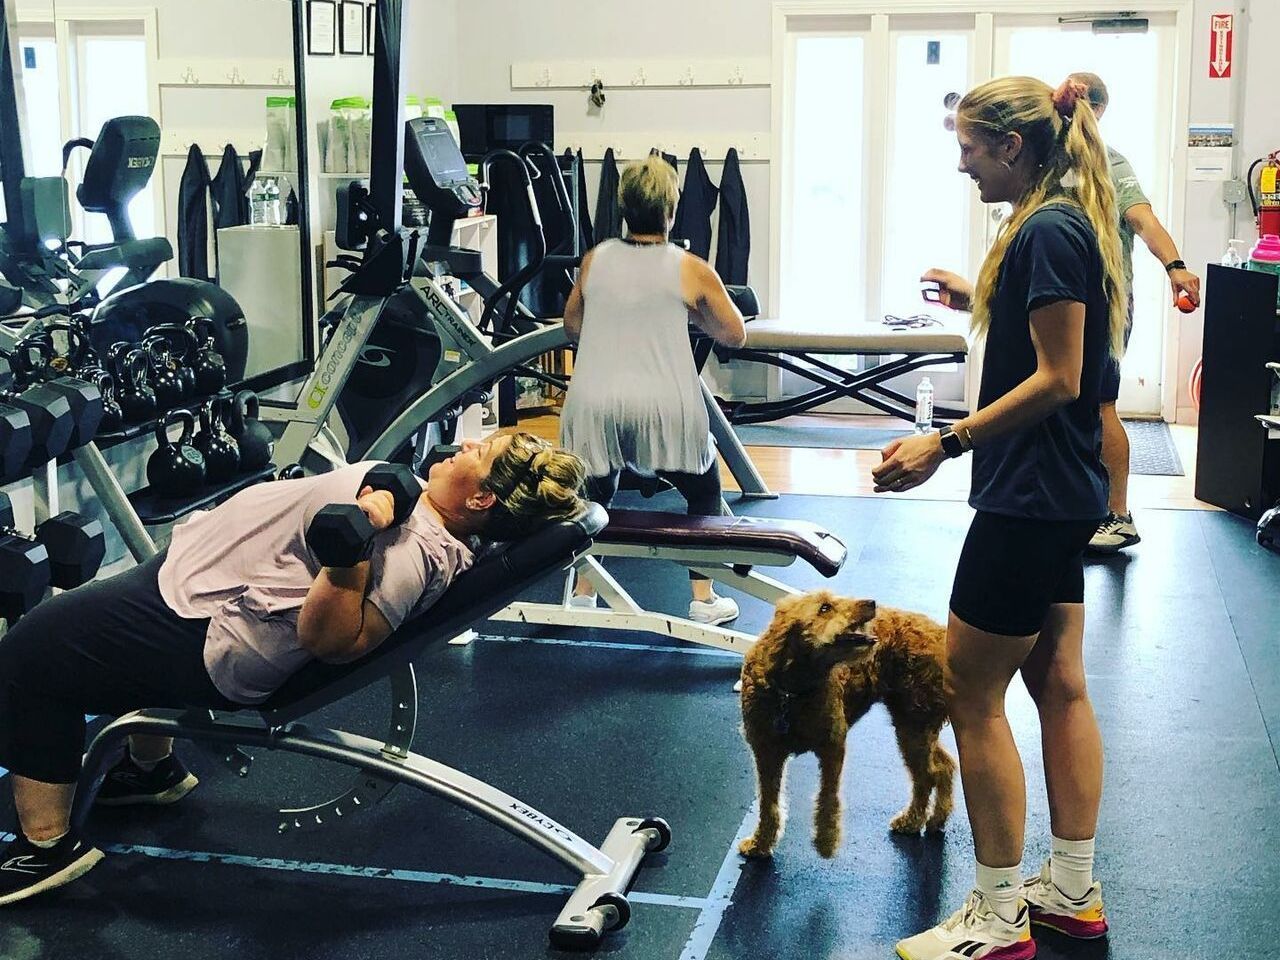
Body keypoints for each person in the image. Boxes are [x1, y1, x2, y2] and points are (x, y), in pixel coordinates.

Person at [0, 433, 587, 906]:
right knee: (98, 645)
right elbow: (393, 488)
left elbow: (334, 639)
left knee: (32, 654)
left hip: (212, 633)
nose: (465, 446)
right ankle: (149, 773)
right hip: (199, 591)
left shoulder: (414, 553)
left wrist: (349, 549)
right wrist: (384, 492)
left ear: (481, 499)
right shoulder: (430, 514)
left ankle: (48, 846)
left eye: (478, 453)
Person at [876, 75, 1123, 960]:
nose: (963, 163)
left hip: (1028, 499)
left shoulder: (1050, 229)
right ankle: (1069, 890)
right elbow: (1049, 347)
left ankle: (995, 915)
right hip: (1059, 494)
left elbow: (1061, 377)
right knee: (1058, 683)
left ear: (1013, 147)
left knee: (970, 694)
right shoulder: (1056, 219)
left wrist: (944, 444)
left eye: (972, 147)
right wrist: (971, 289)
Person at [559, 155, 748, 625]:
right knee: (703, 494)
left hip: (593, 405)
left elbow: (571, 326)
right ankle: (703, 600)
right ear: (671, 209)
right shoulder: (691, 268)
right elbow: (733, 334)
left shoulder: (594, 259)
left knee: (595, 494)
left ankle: (584, 594)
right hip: (665, 406)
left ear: (624, 208)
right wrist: (692, 313)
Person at [1068, 71, 1201, 553]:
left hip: (1102, 305)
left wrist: (1176, 265)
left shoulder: (1109, 163)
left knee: (1099, 407)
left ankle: (1117, 515)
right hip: (1060, 303)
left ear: (1095, 110)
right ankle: (1072, 510)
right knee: (1065, 407)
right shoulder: (1045, 159)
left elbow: (1142, 219)